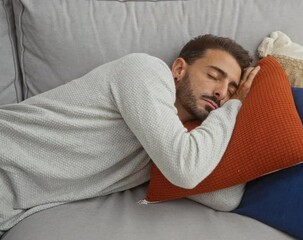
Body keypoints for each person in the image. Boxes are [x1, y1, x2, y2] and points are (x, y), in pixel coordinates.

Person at [0, 34, 260, 235]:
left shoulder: (177, 140)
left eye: (232, 89)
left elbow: (224, 198)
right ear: (179, 69)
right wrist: (234, 106)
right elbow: (186, 170)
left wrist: (236, 112)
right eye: (214, 76)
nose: (221, 92)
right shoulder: (145, 70)